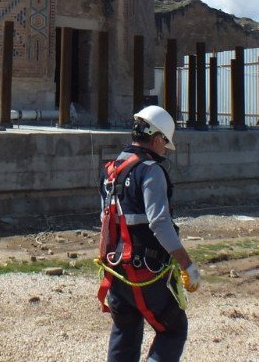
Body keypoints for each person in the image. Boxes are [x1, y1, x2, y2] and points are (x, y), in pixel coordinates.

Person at [97, 105, 201, 362]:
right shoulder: (151, 171)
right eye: (165, 143)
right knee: (174, 329)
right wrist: (187, 264)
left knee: (125, 332)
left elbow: (105, 221)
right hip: (145, 271)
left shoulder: (111, 171)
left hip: (116, 271)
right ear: (156, 139)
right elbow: (160, 223)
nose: (165, 149)